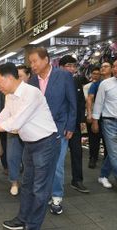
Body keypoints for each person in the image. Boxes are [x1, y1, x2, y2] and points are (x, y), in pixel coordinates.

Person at [0, 63, 60, 230]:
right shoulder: (9, 96)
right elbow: (3, 116)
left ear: (10, 78)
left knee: (39, 189)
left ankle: (32, 225)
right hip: (30, 144)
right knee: (27, 185)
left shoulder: (31, 93)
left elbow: (15, 123)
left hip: (46, 143)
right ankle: (23, 218)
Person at [28, 47, 77, 215]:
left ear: (46, 60)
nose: (32, 65)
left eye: (35, 61)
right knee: (41, 165)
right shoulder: (32, 80)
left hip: (60, 128)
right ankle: (44, 194)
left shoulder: (63, 76)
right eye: (30, 62)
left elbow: (72, 102)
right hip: (39, 130)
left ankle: (57, 196)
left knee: (56, 164)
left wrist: (71, 125)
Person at [58, 55, 89, 193]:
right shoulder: (55, 82)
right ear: (60, 67)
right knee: (57, 157)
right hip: (59, 126)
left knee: (77, 153)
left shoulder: (76, 82)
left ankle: (77, 180)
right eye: (68, 66)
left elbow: (81, 103)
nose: (71, 69)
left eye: (73, 66)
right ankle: (54, 186)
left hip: (75, 125)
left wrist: (82, 122)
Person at [6, 65, 31, 196]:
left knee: (28, 160)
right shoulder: (9, 93)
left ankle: (27, 184)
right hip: (13, 131)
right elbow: (5, 112)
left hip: (29, 132)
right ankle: (14, 182)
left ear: (28, 76)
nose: (18, 79)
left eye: (20, 76)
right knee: (12, 157)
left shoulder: (33, 92)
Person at [92, 60, 117, 188]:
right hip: (109, 122)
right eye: (114, 66)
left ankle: (103, 176)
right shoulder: (105, 84)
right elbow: (98, 103)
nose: (115, 68)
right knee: (114, 154)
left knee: (113, 154)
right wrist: (95, 121)